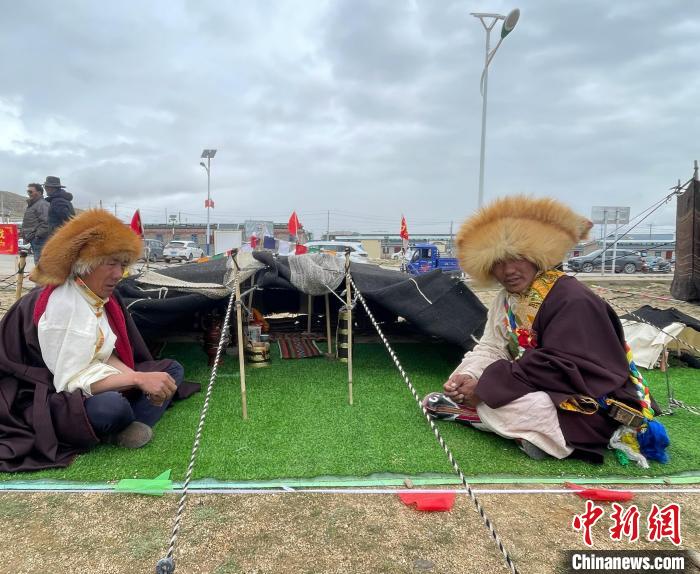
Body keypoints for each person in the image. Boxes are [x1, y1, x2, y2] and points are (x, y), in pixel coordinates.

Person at [423, 196, 667, 464]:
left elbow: (561, 366)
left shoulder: (573, 298)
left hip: (587, 397)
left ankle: (479, 416)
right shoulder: (506, 299)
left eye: (518, 258)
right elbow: (492, 346)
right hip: (530, 380)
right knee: (465, 378)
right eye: (498, 262)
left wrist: (485, 389)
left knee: (528, 406)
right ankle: (503, 423)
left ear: (538, 256)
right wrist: (469, 376)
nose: (508, 271)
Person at [0, 209, 198, 472]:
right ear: (85, 263)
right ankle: (117, 425)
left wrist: (135, 376)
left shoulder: (92, 295)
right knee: (110, 407)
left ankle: (124, 424)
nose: (119, 274)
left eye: (122, 265)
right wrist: (137, 379)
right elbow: (69, 381)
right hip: (43, 394)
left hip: (89, 377)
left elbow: (102, 353)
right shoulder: (64, 304)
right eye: (111, 263)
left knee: (172, 370)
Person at [21, 183, 50, 263]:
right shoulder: (34, 204)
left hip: (39, 240)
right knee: (38, 262)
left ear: (39, 192)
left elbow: (46, 223)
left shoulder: (42, 204)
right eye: (28, 191)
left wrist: (37, 236)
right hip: (34, 239)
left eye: (31, 191)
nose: (29, 193)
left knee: (40, 263)